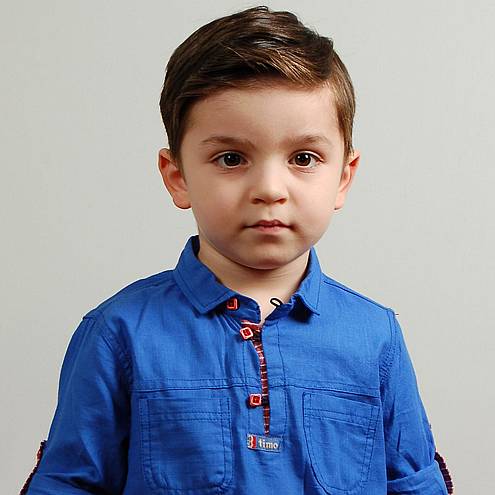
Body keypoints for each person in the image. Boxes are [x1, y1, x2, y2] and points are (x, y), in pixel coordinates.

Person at [21, 5, 453, 495]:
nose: (269, 188)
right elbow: (68, 484)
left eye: (303, 158)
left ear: (343, 177)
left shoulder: (375, 336)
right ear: (178, 177)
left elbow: (415, 485)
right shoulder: (118, 332)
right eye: (231, 158)